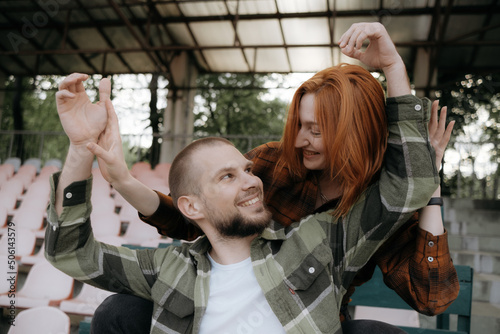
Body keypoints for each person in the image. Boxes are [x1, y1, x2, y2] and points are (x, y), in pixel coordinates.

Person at [88, 22, 458, 333]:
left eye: (314, 130)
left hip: (309, 320)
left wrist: (430, 180)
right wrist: (122, 180)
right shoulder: (270, 162)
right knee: (119, 312)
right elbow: (191, 221)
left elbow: (432, 297)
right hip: (226, 303)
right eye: (299, 125)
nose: (298, 140)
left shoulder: (384, 200)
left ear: (353, 132)